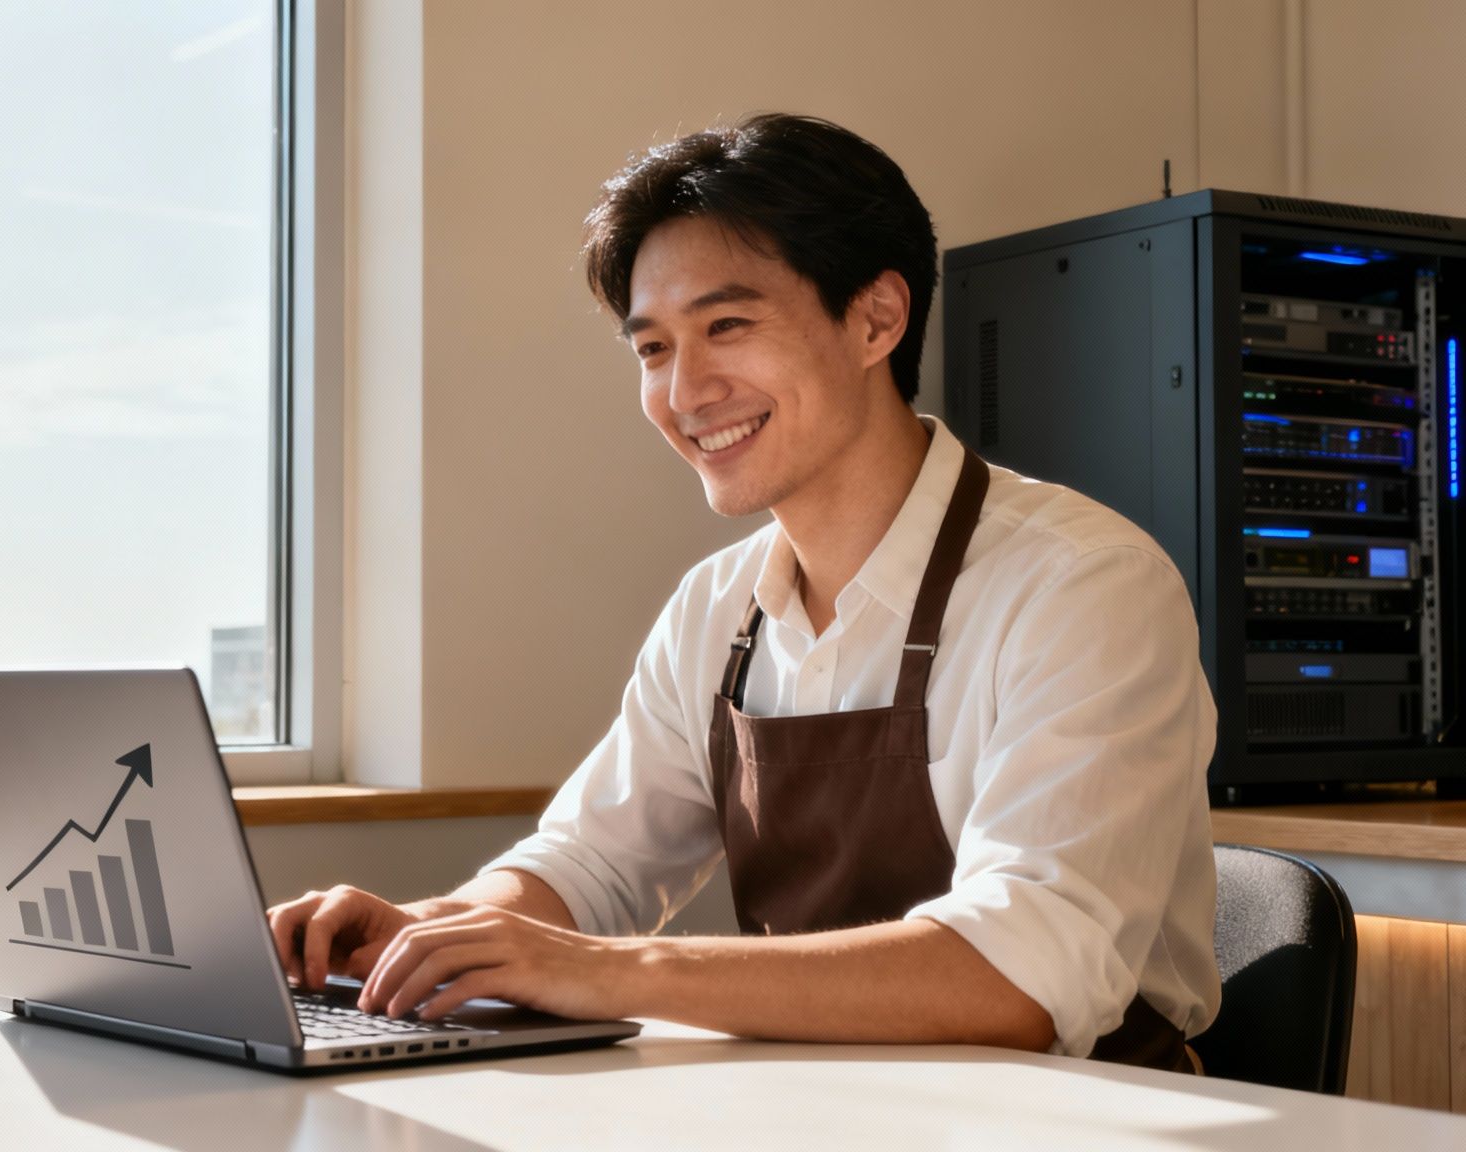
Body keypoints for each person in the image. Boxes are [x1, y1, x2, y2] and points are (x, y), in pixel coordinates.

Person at [268, 113, 1220, 1069]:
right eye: (652, 350)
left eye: (727, 325)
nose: (685, 393)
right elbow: (592, 865)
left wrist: (610, 969)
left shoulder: (1085, 587)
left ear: (876, 319)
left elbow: (1020, 978)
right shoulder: (716, 608)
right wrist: (433, 933)